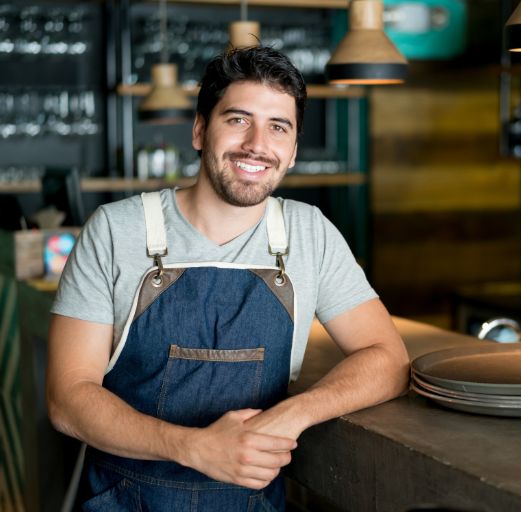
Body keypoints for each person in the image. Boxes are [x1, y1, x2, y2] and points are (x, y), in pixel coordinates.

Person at [45, 46, 410, 511]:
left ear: (293, 152)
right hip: (124, 500)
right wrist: (193, 447)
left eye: (278, 127)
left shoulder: (308, 233)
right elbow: (67, 398)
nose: (257, 144)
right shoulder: (117, 230)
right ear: (200, 130)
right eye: (238, 119)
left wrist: (291, 416)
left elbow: (388, 358)